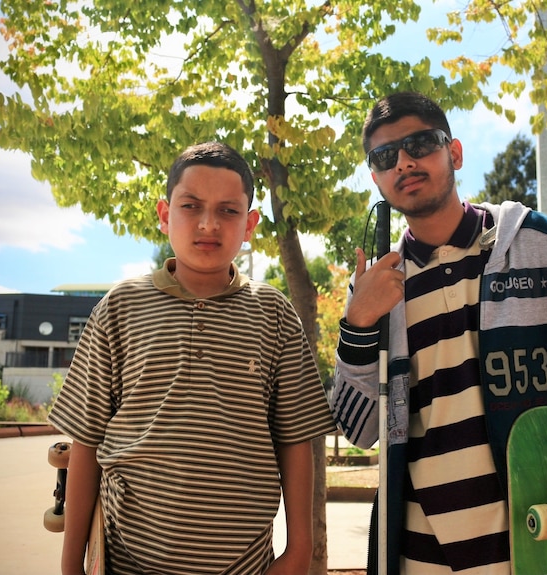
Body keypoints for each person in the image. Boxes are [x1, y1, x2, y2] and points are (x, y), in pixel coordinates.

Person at [330, 92, 547, 574]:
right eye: (385, 156)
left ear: (454, 152)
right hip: (420, 557)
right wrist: (357, 325)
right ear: (375, 176)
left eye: (420, 144)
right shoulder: (374, 287)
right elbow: (361, 430)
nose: (405, 163)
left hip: (545, 541)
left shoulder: (539, 243)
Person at [49, 141, 336, 575]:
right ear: (165, 214)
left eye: (228, 210)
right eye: (191, 206)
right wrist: (71, 566)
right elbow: (86, 442)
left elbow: (295, 439)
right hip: (128, 560)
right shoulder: (120, 307)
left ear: (250, 223)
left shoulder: (274, 313)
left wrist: (299, 552)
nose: (208, 224)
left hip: (244, 565)